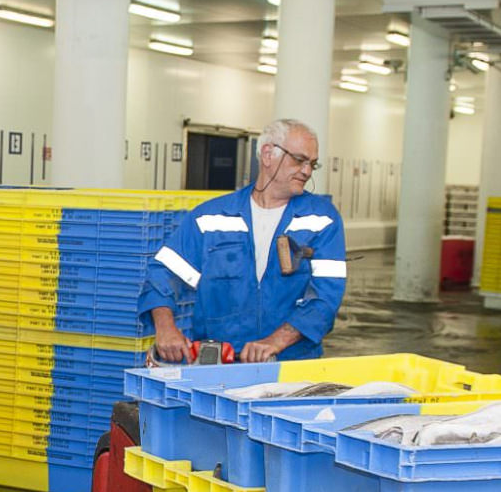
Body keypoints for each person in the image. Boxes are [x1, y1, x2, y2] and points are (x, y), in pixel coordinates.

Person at [138, 118, 346, 363]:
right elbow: (162, 274)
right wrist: (165, 327)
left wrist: (275, 342)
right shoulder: (211, 218)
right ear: (267, 154)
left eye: (313, 164)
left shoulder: (321, 218)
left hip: (291, 362)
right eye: (299, 160)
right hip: (217, 362)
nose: (307, 171)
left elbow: (326, 297)